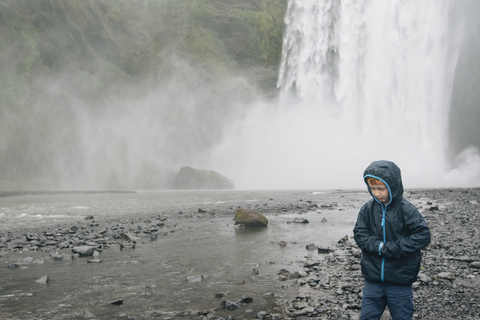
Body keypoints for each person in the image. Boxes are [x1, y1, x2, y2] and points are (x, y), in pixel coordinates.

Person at [353, 160, 431, 320]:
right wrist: (378, 246)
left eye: (381, 189)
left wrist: (391, 248)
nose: (377, 193)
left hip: (400, 278)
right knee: (367, 316)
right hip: (373, 278)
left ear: (393, 186)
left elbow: (422, 235)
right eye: (373, 188)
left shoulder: (406, 209)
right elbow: (360, 234)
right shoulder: (367, 209)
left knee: (402, 316)